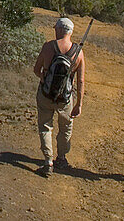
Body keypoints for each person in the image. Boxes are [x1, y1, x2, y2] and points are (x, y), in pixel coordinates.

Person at [32, 16, 85, 175]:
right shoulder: (78, 53)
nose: (54, 30)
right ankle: (61, 158)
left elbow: (36, 69)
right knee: (66, 127)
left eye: (56, 28)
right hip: (65, 99)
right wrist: (79, 104)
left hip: (45, 95)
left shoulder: (48, 47)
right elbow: (81, 80)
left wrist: (45, 79)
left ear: (61, 30)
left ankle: (48, 162)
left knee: (45, 126)